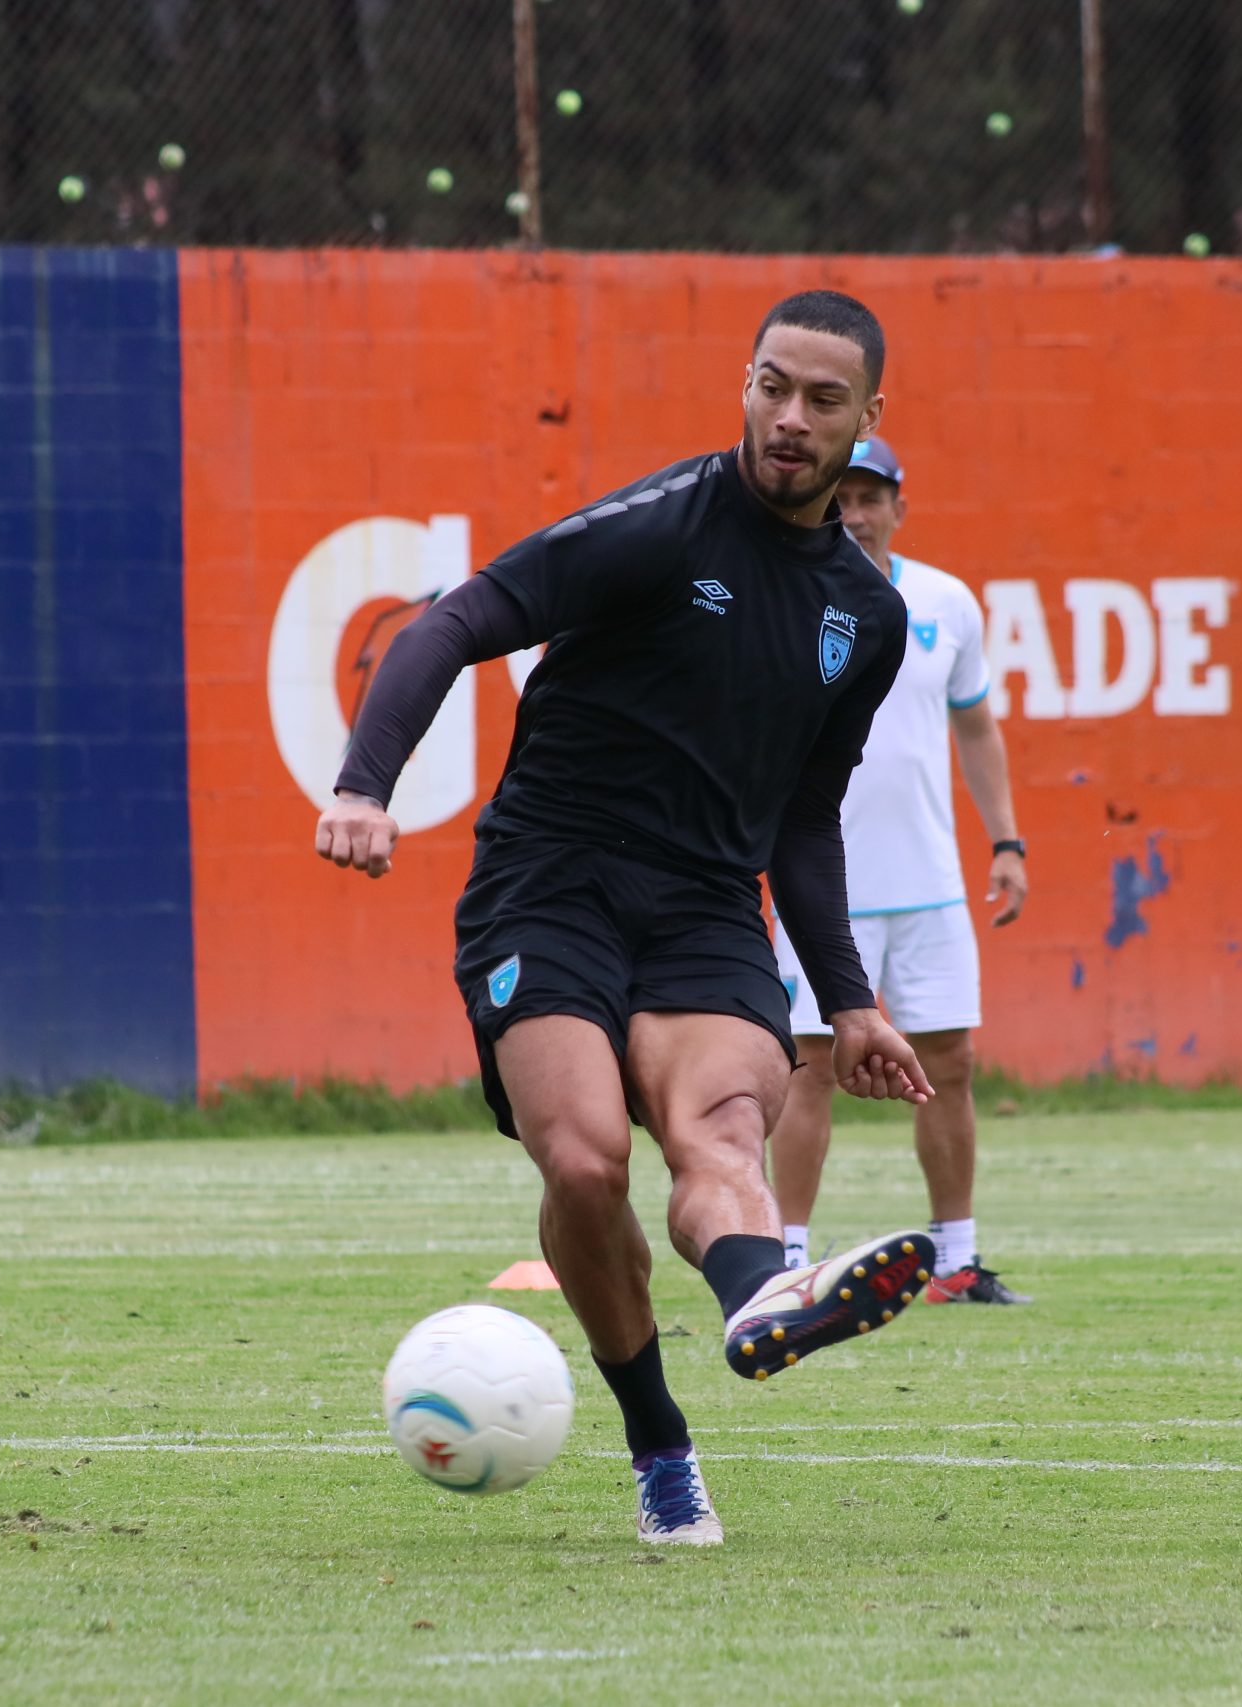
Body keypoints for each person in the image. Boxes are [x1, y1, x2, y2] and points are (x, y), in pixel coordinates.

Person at [315, 292, 940, 1547]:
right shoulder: (661, 528)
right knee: (591, 1157)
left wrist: (852, 997)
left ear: (868, 422)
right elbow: (458, 620)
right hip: (550, 883)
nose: (788, 417)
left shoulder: (865, 620)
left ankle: (763, 1299)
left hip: (707, 908)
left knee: (717, 1138)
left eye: (823, 401)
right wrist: (363, 786)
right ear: (745, 382)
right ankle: (662, 1442)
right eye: (773, 385)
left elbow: (803, 819)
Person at [766, 436, 1034, 1306]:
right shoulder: (788, 593)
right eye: (840, 495)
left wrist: (1007, 841)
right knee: (809, 1068)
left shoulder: (947, 602)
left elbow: (977, 727)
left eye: (871, 496)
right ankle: (785, 1262)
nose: (855, 511)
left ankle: (956, 1261)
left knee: (948, 1062)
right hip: (820, 888)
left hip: (930, 883)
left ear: (898, 507)